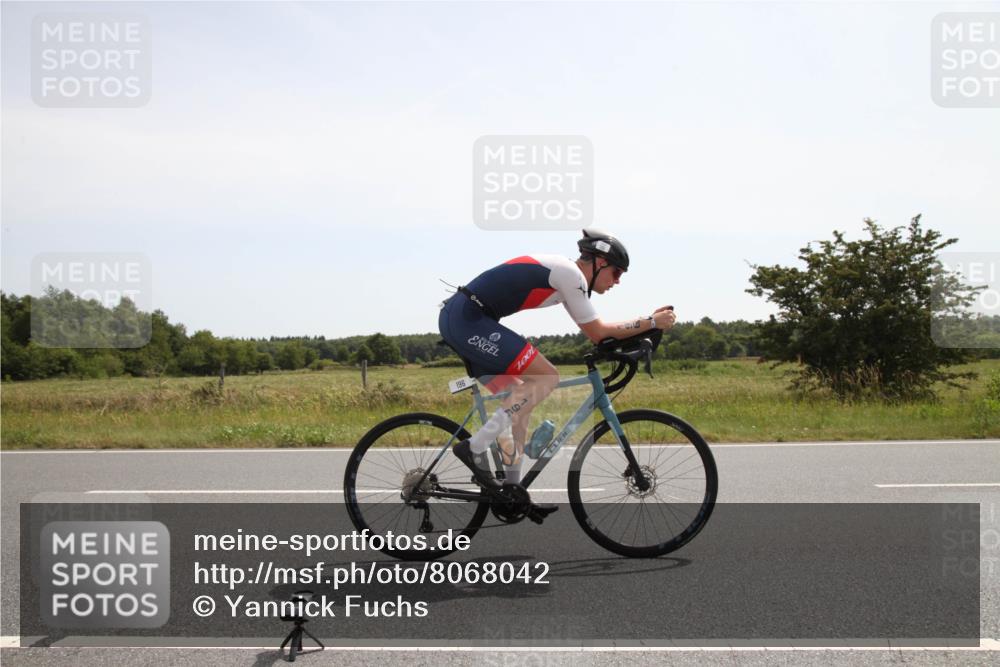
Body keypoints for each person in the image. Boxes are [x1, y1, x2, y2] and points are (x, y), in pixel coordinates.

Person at [438, 229, 677, 493]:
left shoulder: (567, 280)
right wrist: (651, 322)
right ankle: (474, 448)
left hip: (466, 319)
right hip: (467, 320)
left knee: (521, 399)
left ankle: (512, 490)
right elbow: (599, 332)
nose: (617, 281)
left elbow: (598, 333)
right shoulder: (570, 275)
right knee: (547, 377)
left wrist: (646, 327)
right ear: (600, 263)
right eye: (617, 272)